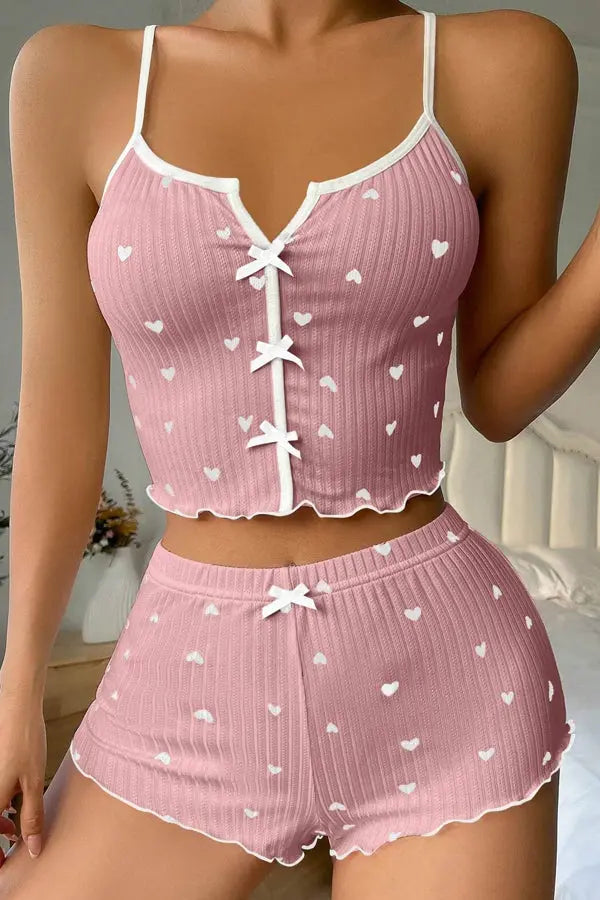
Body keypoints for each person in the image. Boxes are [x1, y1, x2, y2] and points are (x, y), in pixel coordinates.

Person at [0, 1, 596, 897]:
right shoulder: (74, 75)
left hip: (448, 677)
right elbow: (58, 407)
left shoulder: (503, 63)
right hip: (188, 676)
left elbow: (500, 398)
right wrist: (18, 687)